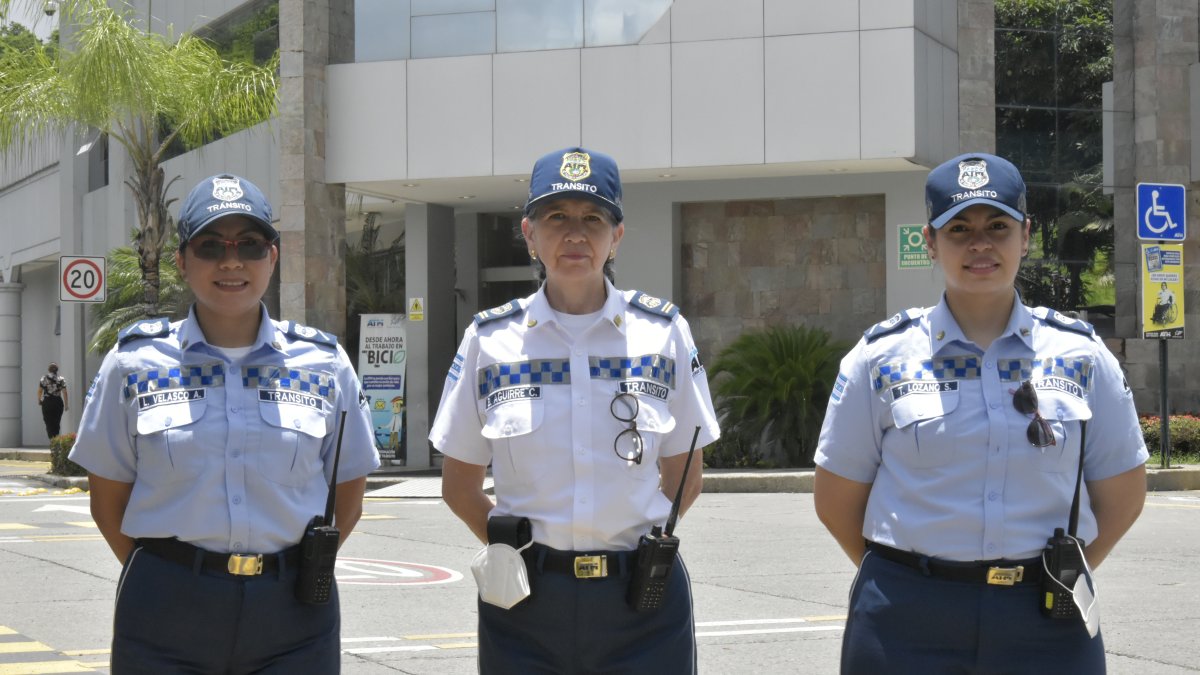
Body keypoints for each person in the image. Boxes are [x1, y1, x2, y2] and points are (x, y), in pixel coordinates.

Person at [813, 152, 1148, 674]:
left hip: (1048, 619)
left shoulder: (1081, 355)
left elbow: (1123, 493)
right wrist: (921, 579)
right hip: (906, 621)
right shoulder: (881, 358)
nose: (980, 244)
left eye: (998, 226)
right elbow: (836, 499)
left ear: (1026, 235)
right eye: (958, 229)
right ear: (930, 241)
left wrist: (1060, 575)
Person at [69, 173, 381, 674]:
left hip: (293, 613)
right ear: (181, 261)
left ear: (273, 258)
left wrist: (293, 572)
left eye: (250, 245)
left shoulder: (323, 364)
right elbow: (107, 500)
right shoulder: (133, 364)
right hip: (165, 611)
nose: (232, 261)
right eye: (211, 245)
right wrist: (170, 580)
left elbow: (348, 494)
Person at [431, 147, 720, 674]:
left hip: (642, 602)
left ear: (618, 235)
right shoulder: (490, 342)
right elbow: (459, 486)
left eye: (593, 218)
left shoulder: (662, 335)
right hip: (525, 602)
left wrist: (632, 543)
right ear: (529, 233)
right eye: (556, 217)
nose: (575, 235)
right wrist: (517, 555)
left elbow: (685, 477)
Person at [36, 362, 68, 440]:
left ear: (49, 370)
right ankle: (55, 439)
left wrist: (39, 400)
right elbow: (65, 392)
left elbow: (40, 391)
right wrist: (66, 404)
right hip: (57, 402)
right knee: (56, 422)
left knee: (48, 422)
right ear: (57, 370)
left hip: (47, 402)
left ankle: (52, 439)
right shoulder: (61, 379)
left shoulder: (43, 378)